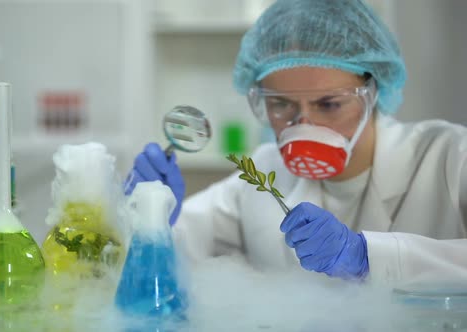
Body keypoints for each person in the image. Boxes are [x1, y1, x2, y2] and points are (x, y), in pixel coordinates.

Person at [125, 0, 467, 283]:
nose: (305, 124)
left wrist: (370, 257)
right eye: (281, 104)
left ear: (373, 92)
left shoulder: (449, 157)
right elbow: (175, 254)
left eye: (329, 104)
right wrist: (153, 214)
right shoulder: (263, 170)